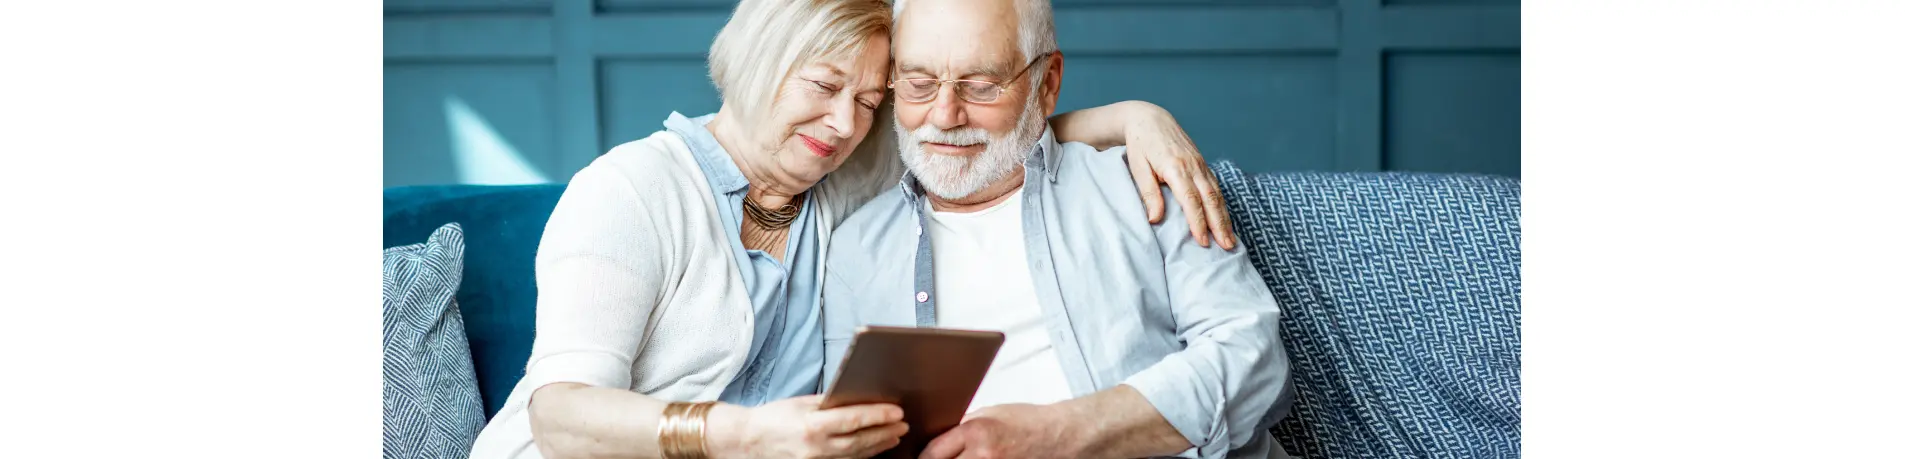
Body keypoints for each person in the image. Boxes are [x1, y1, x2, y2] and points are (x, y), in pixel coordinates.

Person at [465, 0, 1241, 458]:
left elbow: (970, 136)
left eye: (870, 100)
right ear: (760, 61)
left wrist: (1131, 118)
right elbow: (558, 409)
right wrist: (746, 436)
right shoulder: (632, 190)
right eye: (825, 86)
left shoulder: (835, 181)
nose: (843, 122)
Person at [819, 0, 1295, 458]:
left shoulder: (1143, 183)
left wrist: (1062, 435)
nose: (944, 116)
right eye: (919, 83)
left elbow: (1252, 359)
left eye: (982, 85)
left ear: (1047, 84)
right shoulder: (854, 250)